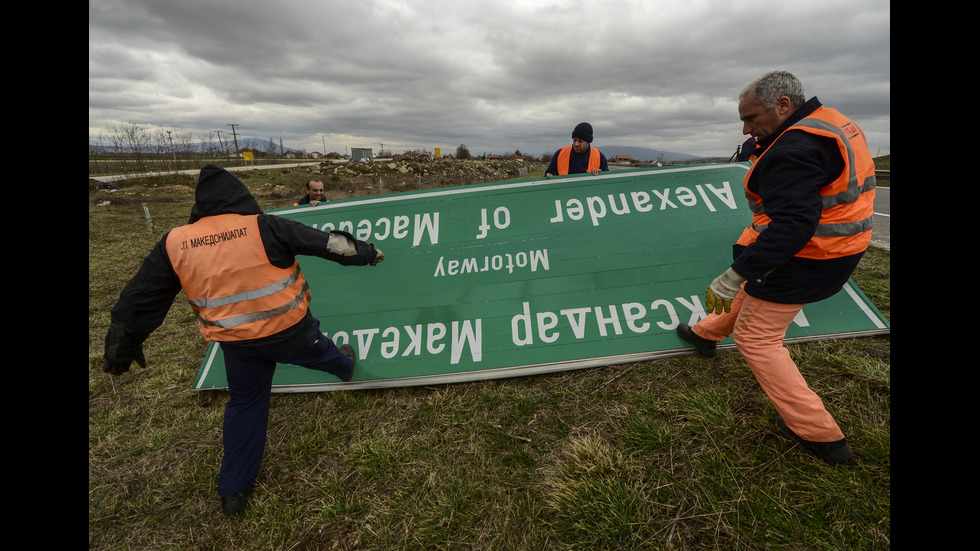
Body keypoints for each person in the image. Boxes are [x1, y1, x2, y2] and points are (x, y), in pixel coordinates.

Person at [101, 164, 385, 515]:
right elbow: (327, 244)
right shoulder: (264, 226)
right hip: (292, 333)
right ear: (239, 195)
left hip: (237, 345)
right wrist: (368, 253)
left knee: (245, 405)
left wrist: (121, 345)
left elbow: (141, 297)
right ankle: (345, 368)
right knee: (327, 354)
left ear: (200, 205)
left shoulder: (176, 242)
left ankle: (233, 491)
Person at [675, 71, 875, 464]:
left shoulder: (794, 149)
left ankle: (819, 434)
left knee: (757, 338)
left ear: (783, 105)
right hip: (841, 247)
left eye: (751, 118)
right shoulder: (834, 123)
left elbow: (792, 228)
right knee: (756, 292)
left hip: (807, 257)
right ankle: (704, 334)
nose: (748, 128)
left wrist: (733, 275)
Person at [544, 122, 609, 177]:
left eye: (580, 141)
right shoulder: (560, 154)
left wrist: (600, 175)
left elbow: (607, 182)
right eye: (574, 140)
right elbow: (548, 175)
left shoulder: (599, 157)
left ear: (588, 142)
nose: (576, 144)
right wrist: (549, 175)